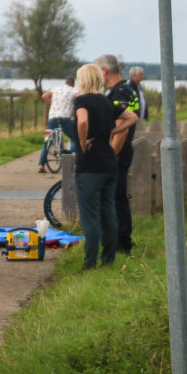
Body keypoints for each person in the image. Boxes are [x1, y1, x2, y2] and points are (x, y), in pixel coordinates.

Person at [74, 64, 138, 269]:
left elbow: (82, 121)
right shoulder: (107, 100)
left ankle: (90, 262)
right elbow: (132, 117)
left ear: (82, 80)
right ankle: (108, 259)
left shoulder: (81, 100)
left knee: (90, 215)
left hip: (90, 165)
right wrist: (112, 131)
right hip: (110, 163)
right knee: (108, 211)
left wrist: (83, 142)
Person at [95, 54, 139, 255]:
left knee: (117, 196)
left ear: (104, 70)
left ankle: (122, 244)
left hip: (118, 153)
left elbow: (121, 128)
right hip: (120, 152)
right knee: (117, 196)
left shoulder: (120, 91)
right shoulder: (124, 89)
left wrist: (110, 156)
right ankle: (122, 240)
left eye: (97, 70)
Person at [38, 76, 79, 173]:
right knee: (76, 138)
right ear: (73, 83)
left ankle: (41, 165)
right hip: (65, 118)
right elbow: (79, 98)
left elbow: (44, 96)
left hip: (52, 117)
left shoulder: (56, 88)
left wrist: (51, 104)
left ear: (65, 82)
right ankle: (68, 153)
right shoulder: (73, 90)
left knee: (48, 141)